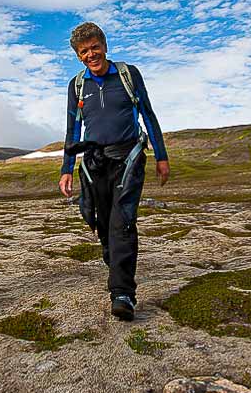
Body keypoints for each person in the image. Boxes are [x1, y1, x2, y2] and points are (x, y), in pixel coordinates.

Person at [59, 22, 169, 321]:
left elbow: (148, 113)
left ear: (105, 46)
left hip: (129, 159)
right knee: (102, 224)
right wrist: (67, 169)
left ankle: (122, 294)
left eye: (95, 47)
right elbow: (73, 127)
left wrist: (161, 156)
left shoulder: (128, 74)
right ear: (78, 56)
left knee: (122, 223)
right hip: (94, 164)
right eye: (84, 51)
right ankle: (115, 261)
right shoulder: (77, 85)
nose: (91, 54)